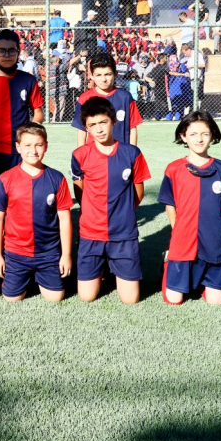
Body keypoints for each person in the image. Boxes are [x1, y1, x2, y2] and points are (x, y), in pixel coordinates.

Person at [71, 97, 151, 305]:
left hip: (123, 234)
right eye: (92, 125)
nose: (98, 129)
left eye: (103, 122)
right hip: (91, 233)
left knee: (130, 300)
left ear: (114, 121)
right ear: (86, 128)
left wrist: (124, 213)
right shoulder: (79, 155)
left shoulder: (131, 153)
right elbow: (79, 189)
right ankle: (101, 267)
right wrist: (91, 210)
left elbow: (138, 192)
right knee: (86, 297)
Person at [0, 123, 73, 303]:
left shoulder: (56, 178)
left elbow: (65, 220)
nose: (33, 150)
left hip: (48, 253)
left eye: (38, 145)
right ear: (18, 147)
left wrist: (66, 255)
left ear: (46, 146)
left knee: (55, 298)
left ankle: (40, 276)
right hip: (16, 253)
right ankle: (24, 277)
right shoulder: (6, 179)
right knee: (11, 299)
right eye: (27, 145)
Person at [159, 112, 221, 306]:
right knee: (174, 300)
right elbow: (169, 203)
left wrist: (212, 227)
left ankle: (201, 280)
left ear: (213, 135)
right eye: (193, 134)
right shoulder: (174, 169)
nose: (199, 139)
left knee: (216, 302)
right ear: (183, 136)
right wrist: (177, 228)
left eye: (205, 134)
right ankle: (168, 265)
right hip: (183, 238)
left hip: (212, 238)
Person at [0, 29, 44, 177]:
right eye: (2, 51)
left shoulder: (28, 80)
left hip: (20, 148)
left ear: (18, 52)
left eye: (11, 50)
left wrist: (27, 134)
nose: (6, 55)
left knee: (20, 188)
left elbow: (38, 113)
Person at [72, 52, 142, 146]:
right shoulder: (84, 98)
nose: (104, 79)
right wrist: (81, 153)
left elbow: (132, 128)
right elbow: (81, 130)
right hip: (94, 154)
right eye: (98, 75)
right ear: (91, 76)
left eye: (108, 74)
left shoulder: (125, 97)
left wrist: (132, 152)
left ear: (115, 74)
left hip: (121, 152)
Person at [143, 53, 171, 121]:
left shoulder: (161, 67)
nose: (167, 59)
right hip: (160, 89)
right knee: (161, 104)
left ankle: (158, 116)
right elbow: (146, 77)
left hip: (163, 88)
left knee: (161, 104)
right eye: (165, 58)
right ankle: (158, 116)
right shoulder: (157, 67)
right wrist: (152, 82)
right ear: (162, 59)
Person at [166, 55, 192, 121]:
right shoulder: (179, 66)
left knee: (173, 105)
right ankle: (177, 117)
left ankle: (171, 117)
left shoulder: (170, 67)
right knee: (178, 104)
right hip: (179, 87)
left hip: (175, 88)